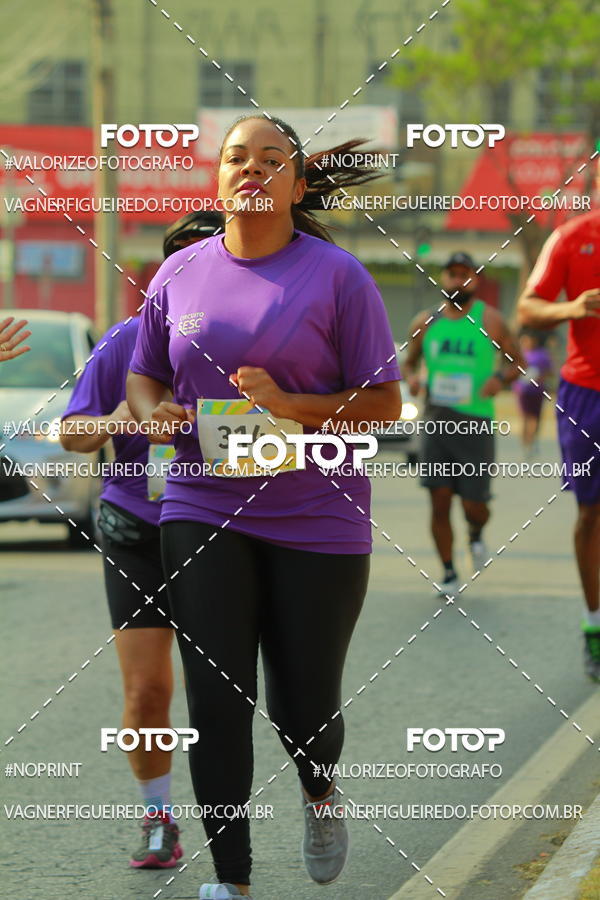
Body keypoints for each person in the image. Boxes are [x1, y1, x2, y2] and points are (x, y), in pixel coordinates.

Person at [126, 115, 401, 899]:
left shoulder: (339, 277)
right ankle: (232, 881)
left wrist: (291, 404)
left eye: (271, 161)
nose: (251, 170)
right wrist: (151, 413)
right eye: (236, 158)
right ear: (218, 178)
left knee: (303, 709)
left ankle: (320, 789)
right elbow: (145, 372)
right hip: (202, 501)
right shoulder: (178, 273)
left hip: (317, 513)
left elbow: (384, 403)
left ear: (297, 184)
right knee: (217, 699)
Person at [59, 211, 223, 868]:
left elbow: (288, 438)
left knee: (223, 692)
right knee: (148, 691)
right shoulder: (126, 339)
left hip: (221, 530)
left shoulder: (253, 344)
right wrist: (120, 416)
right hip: (137, 530)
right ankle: (159, 819)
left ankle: (240, 828)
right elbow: (72, 435)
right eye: (179, 261)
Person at [403, 252, 523, 595]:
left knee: (475, 505)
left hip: (476, 423)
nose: (458, 280)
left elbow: (517, 362)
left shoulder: (491, 320)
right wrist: (413, 379)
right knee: (439, 500)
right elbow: (409, 363)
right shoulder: (426, 322)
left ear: (475, 279)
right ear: (443, 279)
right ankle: (448, 573)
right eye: (452, 274)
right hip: (436, 421)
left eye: (464, 274)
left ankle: (476, 533)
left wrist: (499, 379)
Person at [518, 182, 600, 682]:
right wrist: (572, 308)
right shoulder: (573, 237)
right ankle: (595, 625)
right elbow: (528, 308)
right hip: (588, 394)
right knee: (591, 513)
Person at [512, 328, 553, 458]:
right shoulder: (518, 354)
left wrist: (539, 378)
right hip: (523, 391)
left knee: (535, 418)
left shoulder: (542, 355)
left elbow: (549, 371)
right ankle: (525, 445)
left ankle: (533, 442)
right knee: (524, 418)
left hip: (537, 391)